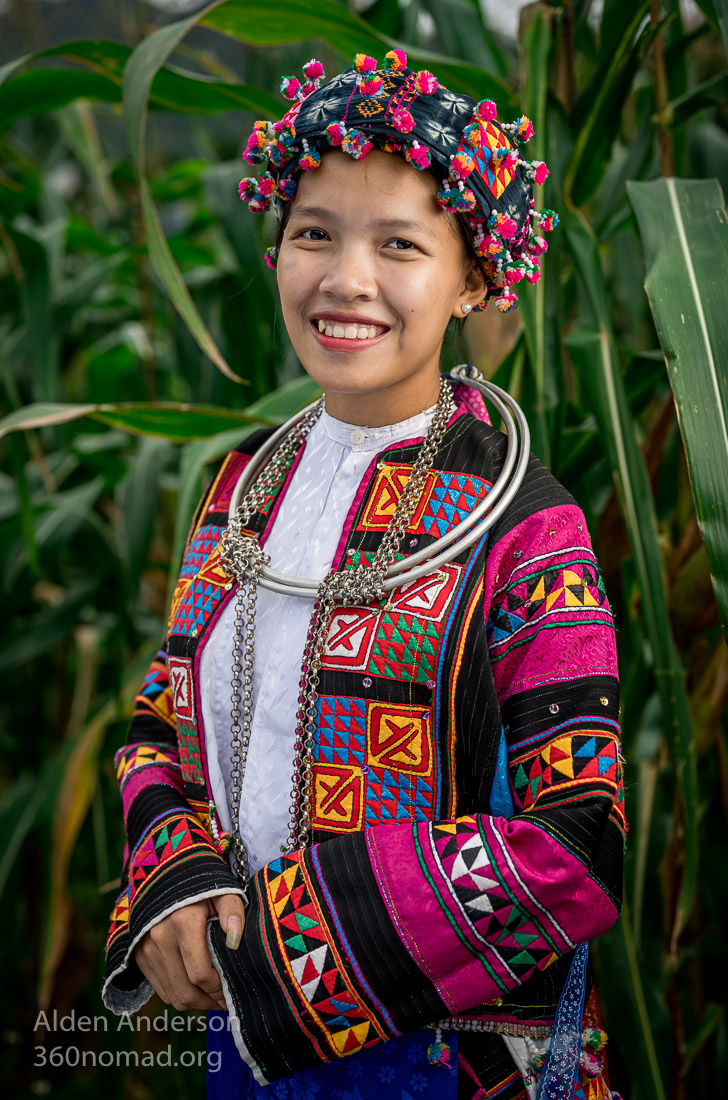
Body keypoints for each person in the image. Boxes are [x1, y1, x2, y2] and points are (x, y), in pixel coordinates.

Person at [101, 49, 625, 1100]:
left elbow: (575, 840)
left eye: (399, 243)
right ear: (276, 252)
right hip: (242, 1047)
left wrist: (278, 954)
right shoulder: (237, 491)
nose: (345, 279)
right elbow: (161, 719)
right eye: (313, 234)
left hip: (453, 1058)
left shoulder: (523, 522)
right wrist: (173, 891)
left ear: (475, 274)